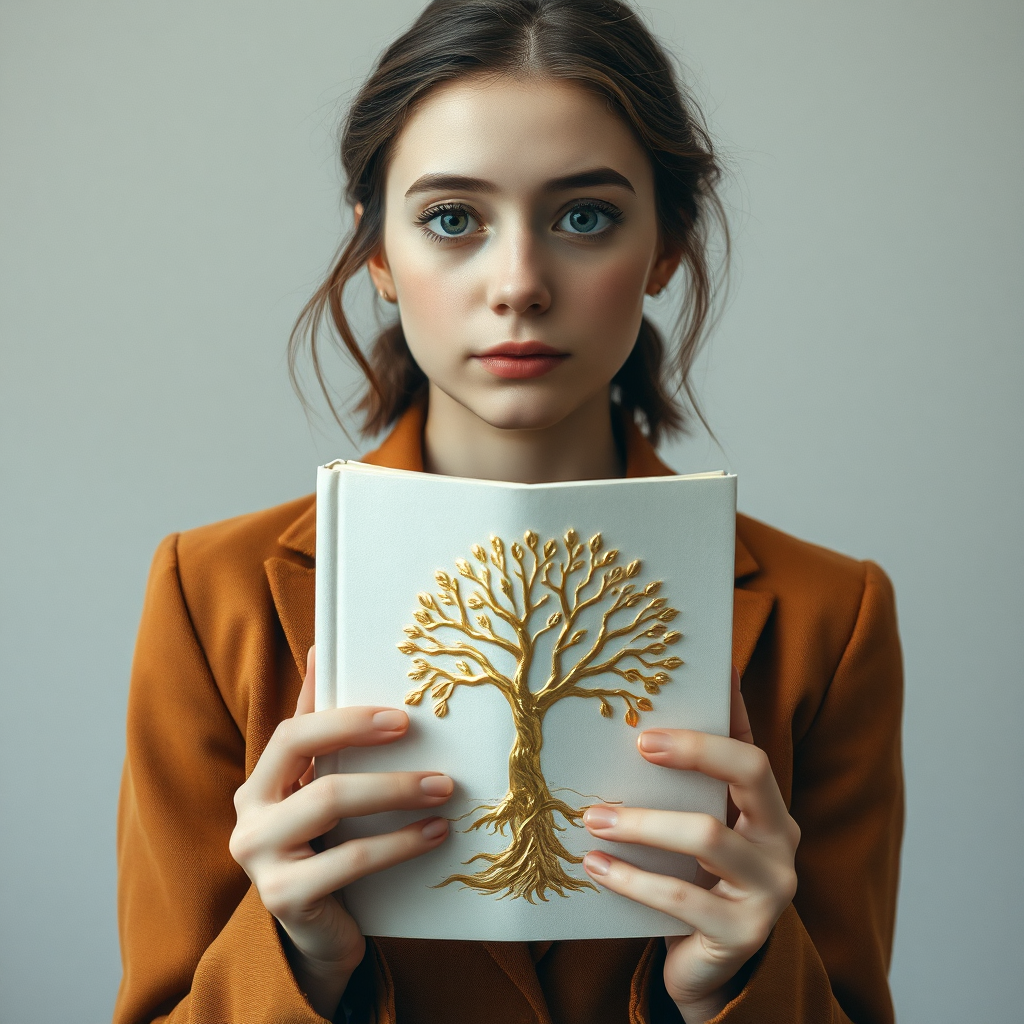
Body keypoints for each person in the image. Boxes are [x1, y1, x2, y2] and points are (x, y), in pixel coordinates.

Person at [112, 1, 904, 1022]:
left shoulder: (829, 616)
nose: (519, 283)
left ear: (664, 245)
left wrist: (727, 986)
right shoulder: (207, 594)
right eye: (453, 218)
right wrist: (299, 961)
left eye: (584, 216)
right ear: (379, 254)